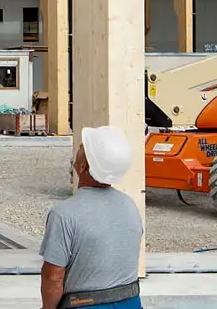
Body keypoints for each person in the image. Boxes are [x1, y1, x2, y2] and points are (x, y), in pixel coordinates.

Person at [40, 127, 143, 309]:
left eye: (82, 147)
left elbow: (53, 277)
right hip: (131, 303)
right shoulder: (129, 206)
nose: (78, 146)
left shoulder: (64, 214)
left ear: (83, 166)